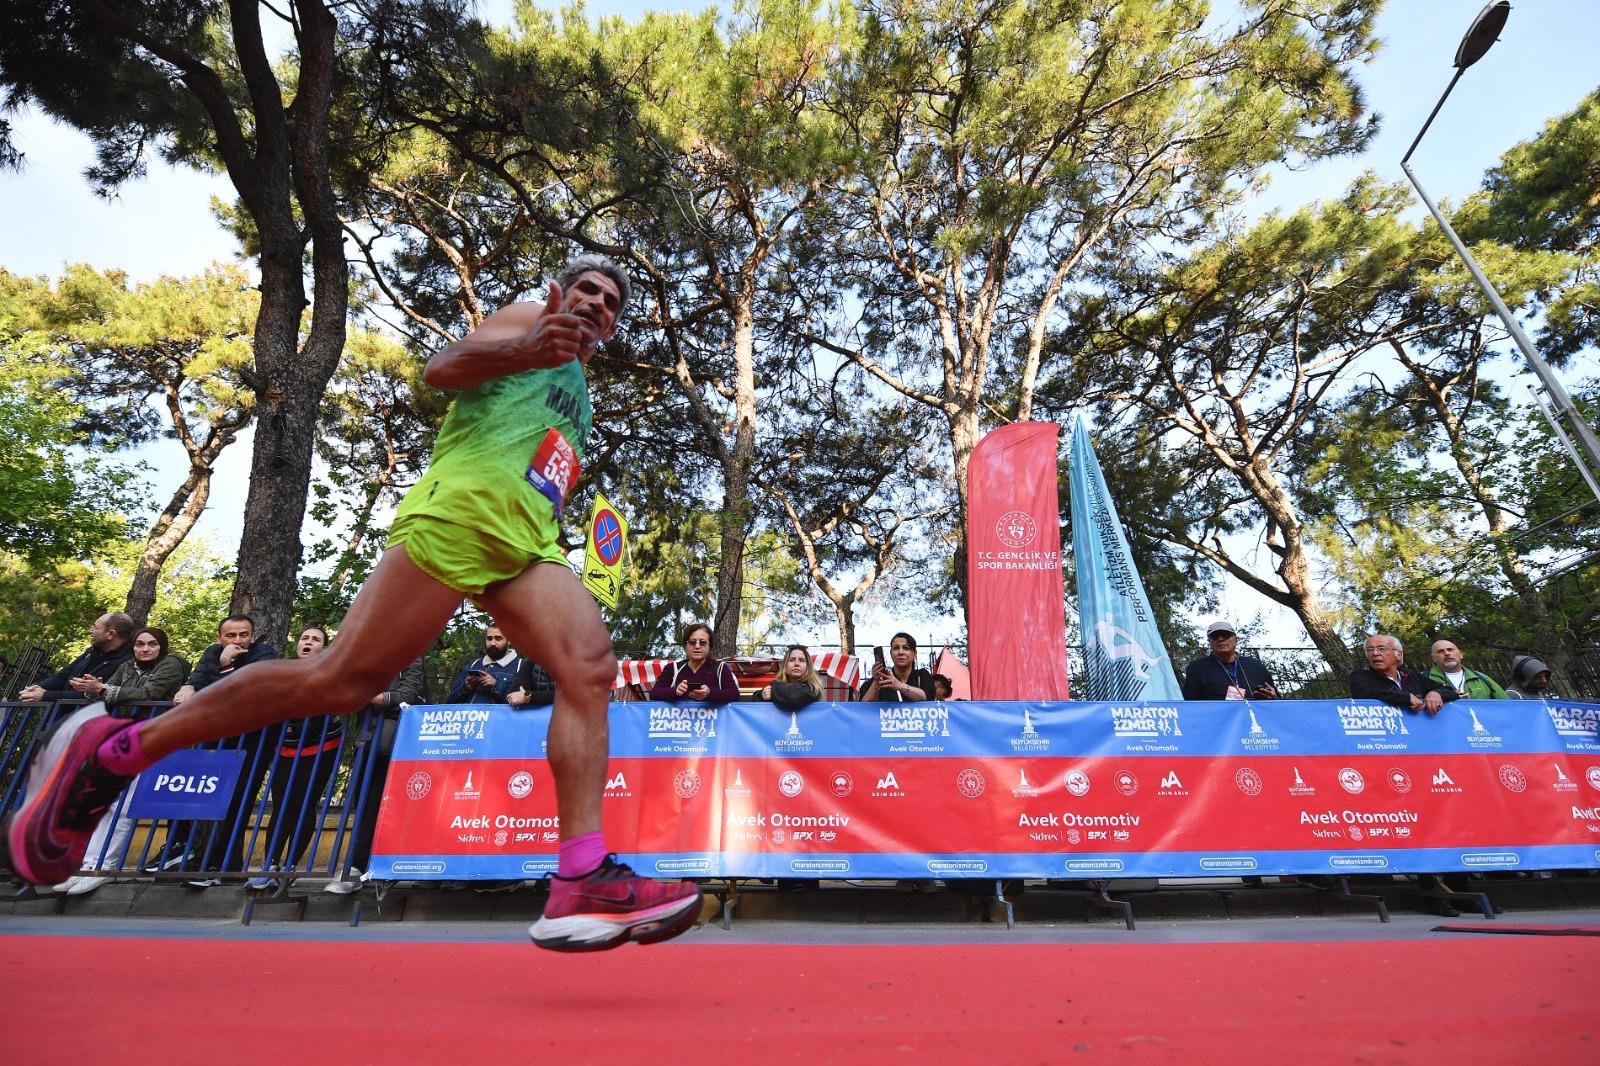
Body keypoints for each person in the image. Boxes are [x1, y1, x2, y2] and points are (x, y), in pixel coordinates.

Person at [3, 254, 700, 952]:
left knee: (590, 669)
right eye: (586, 289)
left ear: (612, 325)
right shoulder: (531, 320)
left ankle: (581, 876)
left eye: (610, 302)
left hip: (528, 543)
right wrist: (525, 346)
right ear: (561, 292)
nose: (595, 303)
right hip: (459, 518)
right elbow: (442, 368)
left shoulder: (578, 385)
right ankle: (115, 751)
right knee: (339, 681)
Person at [53, 626, 189, 897]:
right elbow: (108, 693)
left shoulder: (172, 665)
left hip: (150, 742)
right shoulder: (127, 666)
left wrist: (102, 688)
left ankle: (105, 867)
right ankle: (87, 866)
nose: (145, 649)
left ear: (162, 647)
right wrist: (92, 689)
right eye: (140, 644)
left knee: (124, 808)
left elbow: (148, 694)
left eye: (152, 644)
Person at [164, 613, 281, 885]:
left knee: (237, 803)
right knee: (205, 801)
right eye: (231, 635)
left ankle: (221, 867)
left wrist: (226, 664)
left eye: (243, 634)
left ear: (252, 636)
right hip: (215, 739)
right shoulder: (210, 653)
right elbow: (201, 681)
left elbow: (245, 690)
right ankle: (199, 861)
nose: (237, 640)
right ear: (219, 637)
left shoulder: (265, 654)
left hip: (251, 742)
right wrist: (189, 685)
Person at [249, 625, 343, 891]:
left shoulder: (331, 671)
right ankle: (270, 865)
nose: (308, 642)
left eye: (315, 640)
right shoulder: (284, 670)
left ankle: (290, 866)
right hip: (286, 748)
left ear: (323, 648)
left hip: (321, 748)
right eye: (305, 638)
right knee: (281, 805)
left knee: (304, 804)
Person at [324, 655, 427, 896]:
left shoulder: (412, 656)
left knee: (398, 808)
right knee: (365, 807)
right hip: (368, 742)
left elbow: (408, 694)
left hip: (399, 746)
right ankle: (355, 868)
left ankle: (387, 867)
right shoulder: (370, 651)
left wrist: (379, 698)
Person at [18, 613, 135, 703]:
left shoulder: (129, 661)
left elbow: (99, 695)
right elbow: (66, 674)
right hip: (60, 717)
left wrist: (45, 695)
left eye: (95, 628)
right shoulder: (92, 651)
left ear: (110, 634)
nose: (90, 631)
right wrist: (38, 687)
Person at [1348, 635, 1457, 714]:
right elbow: (1365, 694)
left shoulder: (1412, 675)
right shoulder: (1360, 677)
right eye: (1370, 650)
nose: (1375, 653)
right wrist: (1406, 697)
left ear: (1398, 655)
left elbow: (1450, 691)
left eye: (1382, 649)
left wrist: (1435, 693)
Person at [1182, 621, 1279, 700]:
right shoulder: (1198, 668)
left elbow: (1277, 699)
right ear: (1210, 642)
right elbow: (1189, 702)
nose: (1220, 639)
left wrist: (1274, 697)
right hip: (1216, 720)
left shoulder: (1255, 666)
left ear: (1236, 640)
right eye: (1215, 636)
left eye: (1226, 635)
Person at [649, 623, 740, 704]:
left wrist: (710, 693)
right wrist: (675, 691)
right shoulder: (673, 668)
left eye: (703, 643)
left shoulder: (720, 668)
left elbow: (735, 695)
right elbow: (654, 693)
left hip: (712, 722)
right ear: (686, 646)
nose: (697, 646)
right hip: (679, 721)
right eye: (692, 642)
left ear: (710, 646)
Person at [447, 625, 521, 703]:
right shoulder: (472, 665)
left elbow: (522, 703)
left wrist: (496, 685)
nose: (492, 643)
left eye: (498, 638)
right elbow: (450, 701)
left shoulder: (520, 666)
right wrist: (466, 687)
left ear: (509, 640)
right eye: (489, 638)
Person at [860, 632, 935, 702]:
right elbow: (863, 708)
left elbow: (926, 697)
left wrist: (899, 685)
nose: (900, 652)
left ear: (914, 654)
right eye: (896, 648)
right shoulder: (882, 679)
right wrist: (876, 683)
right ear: (891, 653)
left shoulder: (922, 676)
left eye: (906, 648)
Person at [1425, 640, 1507, 700]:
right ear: (1434, 659)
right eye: (1441, 651)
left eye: (1450, 650)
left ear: (1460, 654)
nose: (1447, 653)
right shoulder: (1424, 679)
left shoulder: (1481, 678)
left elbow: (1507, 704)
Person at [759, 645, 822, 712]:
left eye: (801, 660)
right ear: (785, 665)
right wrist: (761, 695)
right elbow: (754, 699)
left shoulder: (813, 687)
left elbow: (792, 697)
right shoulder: (777, 685)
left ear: (808, 666)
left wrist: (773, 688)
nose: (796, 664)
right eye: (792, 660)